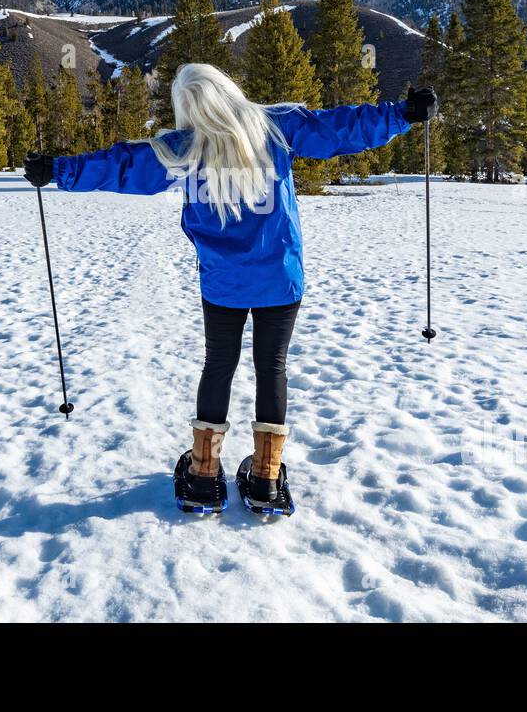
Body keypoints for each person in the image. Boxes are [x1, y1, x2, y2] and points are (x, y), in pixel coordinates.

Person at [24, 62, 436, 514]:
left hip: (223, 283)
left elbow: (122, 166)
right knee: (271, 368)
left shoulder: (182, 150)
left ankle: (202, 473)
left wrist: (58, 170)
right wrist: (404, 114)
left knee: (218, 365)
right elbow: (339, 128)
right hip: (280, 278)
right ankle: (266, 477)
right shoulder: (276, 129)